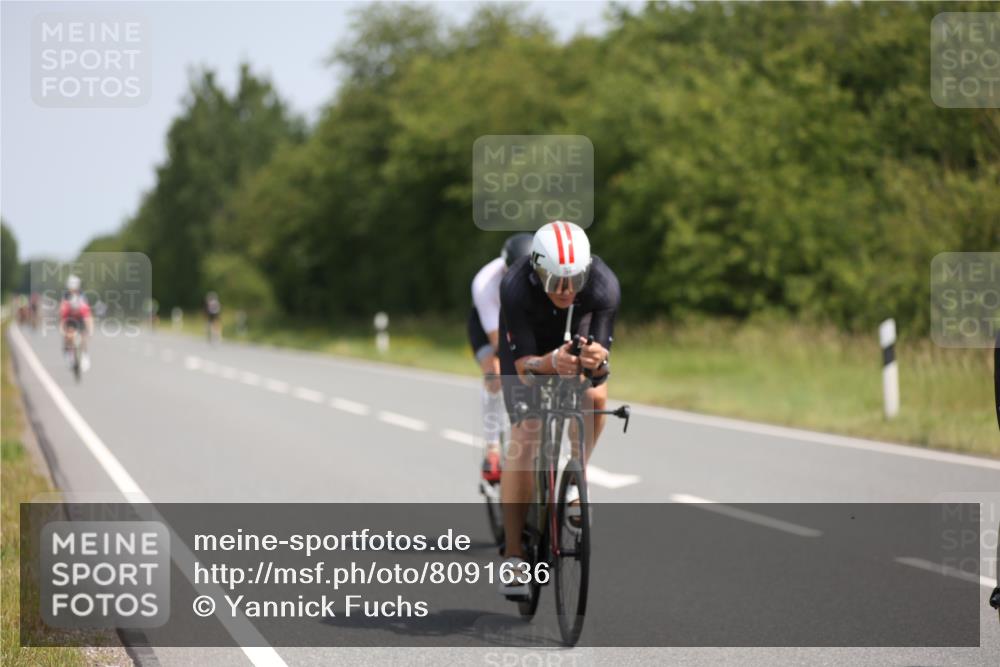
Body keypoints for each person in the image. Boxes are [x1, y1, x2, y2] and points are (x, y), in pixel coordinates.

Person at [495, 221, 620, 597]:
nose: (565, 291)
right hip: (530, 347)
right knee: (526, 436)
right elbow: (523, 367)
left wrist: (597, 362)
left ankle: (576, 478)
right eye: (555, 281)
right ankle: (514, 556)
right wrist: (550, 362)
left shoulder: (602, 284)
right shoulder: (515, 286)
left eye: (574, 279)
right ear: (536, 270)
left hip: (574, 336)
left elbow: (600, 367)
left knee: (596, 398)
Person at [469, 233, 534, 484]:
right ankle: (493, 448)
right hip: (490, 326)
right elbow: (499, 341)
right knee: (495, 374)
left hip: (524, 321)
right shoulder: (485, 282)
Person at [59, 275, 93, 371]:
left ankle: (84, 356)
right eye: (71, 288)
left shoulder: (82, 302)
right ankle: (69, 354)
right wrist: (63, 332)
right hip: (69, 319)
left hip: (81, 319)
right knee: (69, 334)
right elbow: (62, 319)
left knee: (83, 337)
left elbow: (88, 318)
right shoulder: (65, 299)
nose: (72, 290)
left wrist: (89, 331)